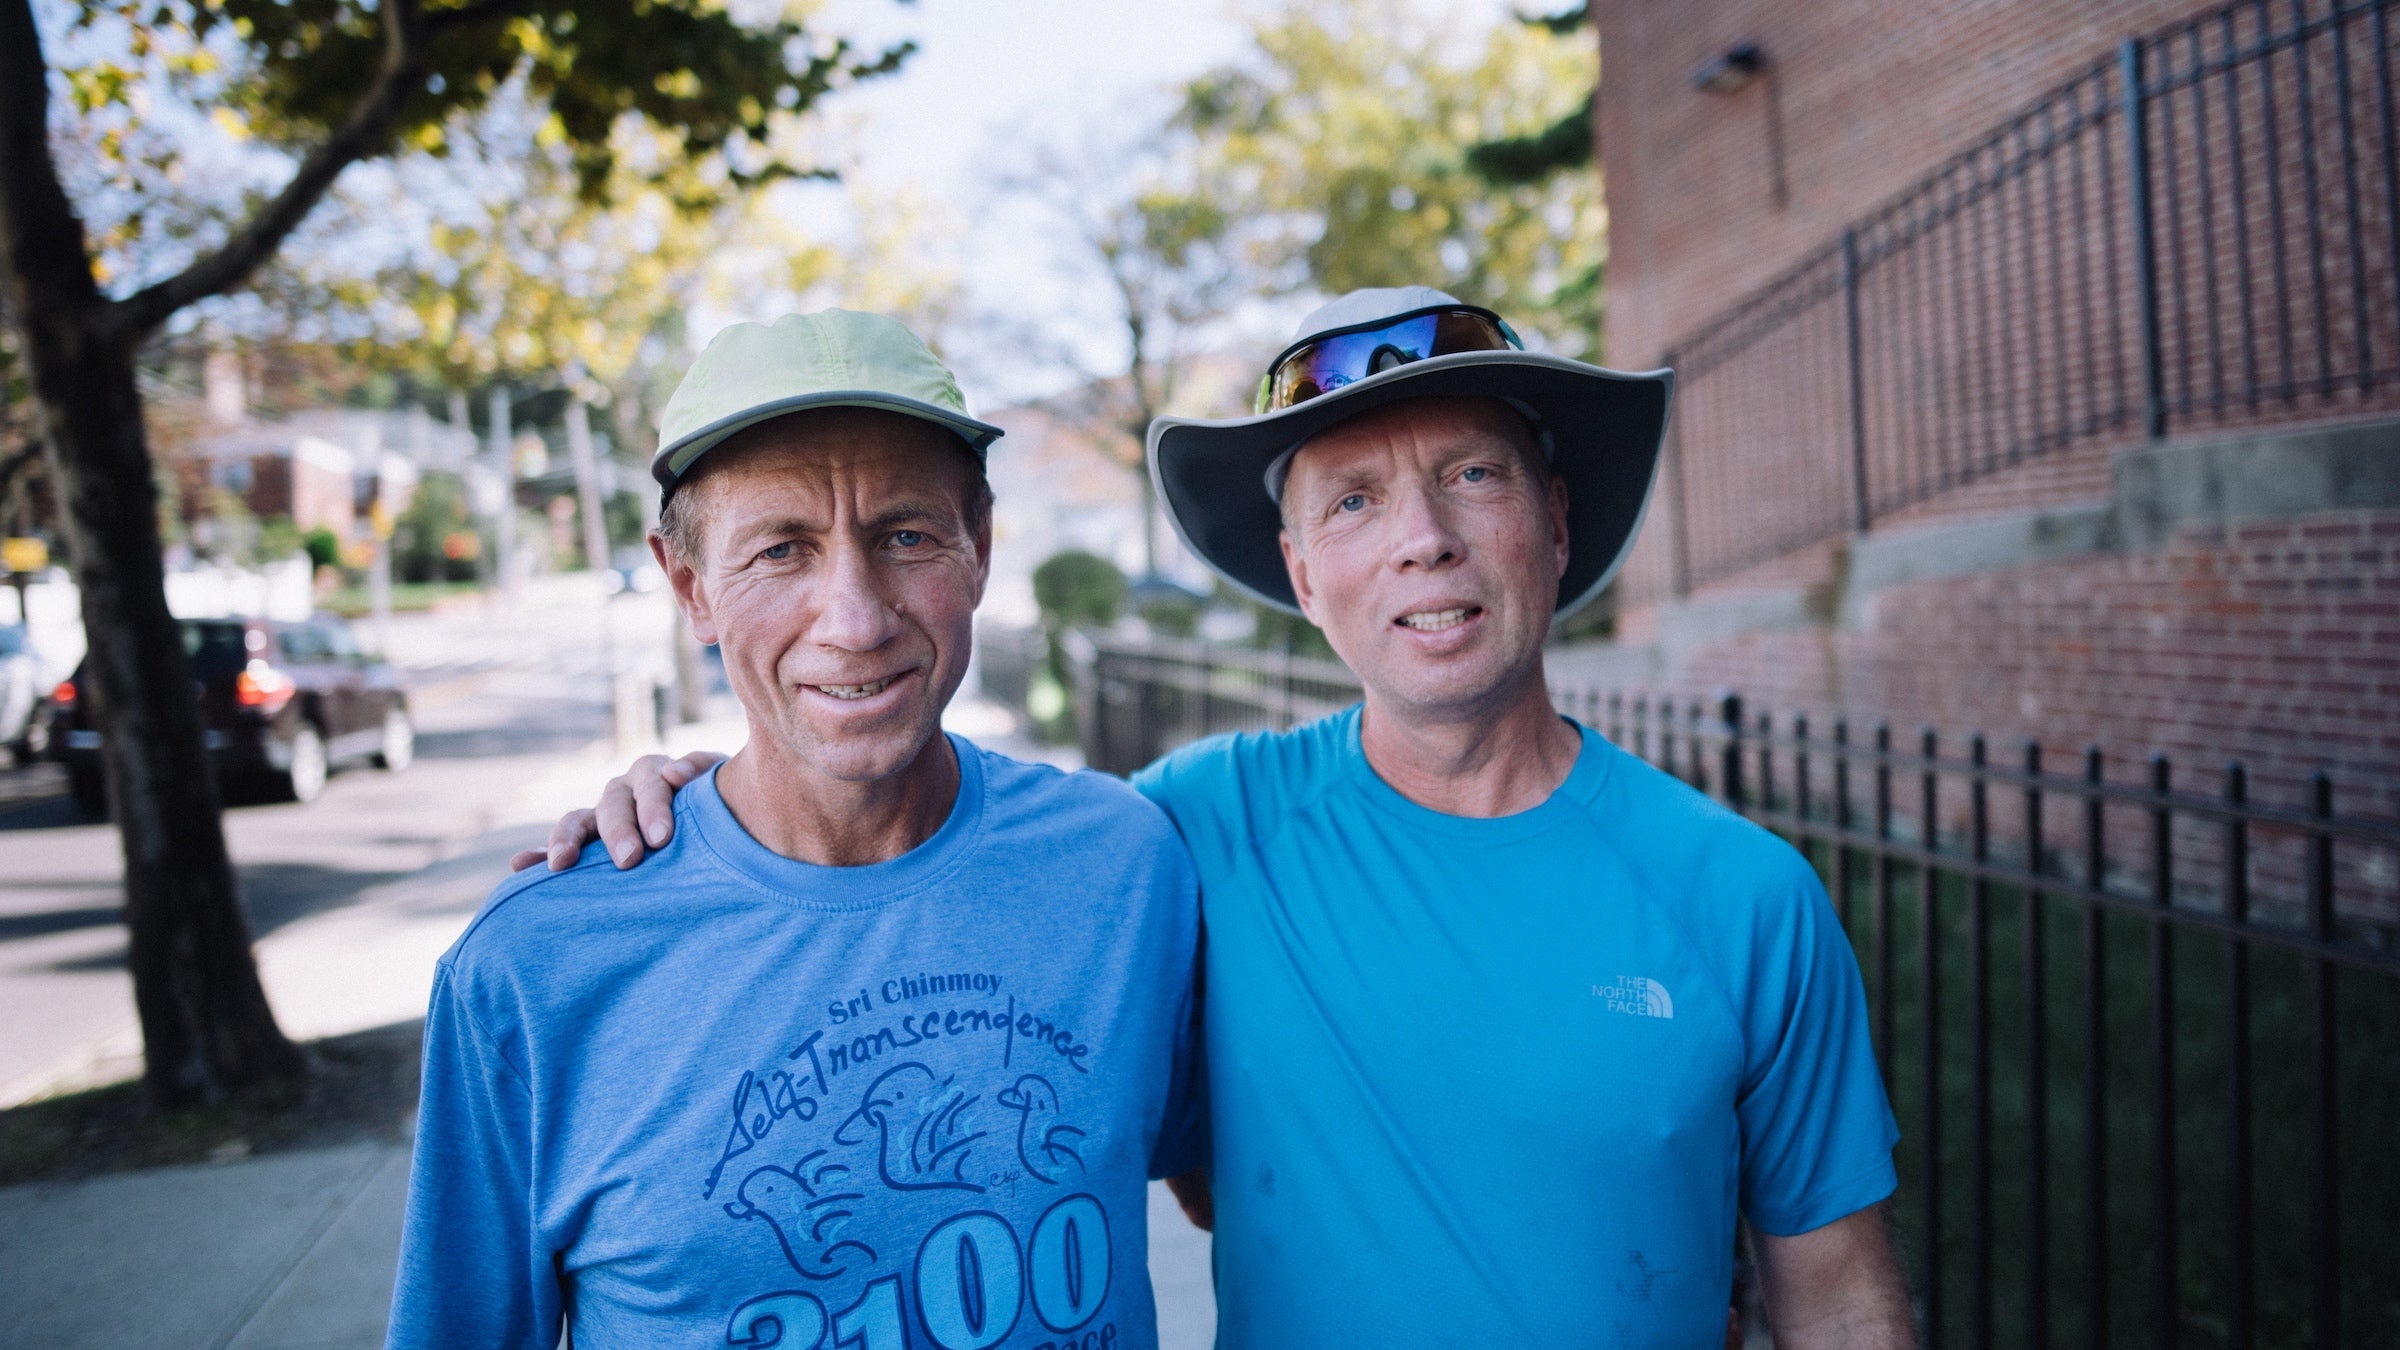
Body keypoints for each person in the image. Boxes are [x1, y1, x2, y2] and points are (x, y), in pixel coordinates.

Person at [537, 289, 1915, 1348]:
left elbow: (1840, 1290)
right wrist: (700, 798)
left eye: (1474, 476)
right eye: (1355, 499)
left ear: (1554, 521)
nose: (1423, 538)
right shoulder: (1180, 836)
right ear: (1302, 572)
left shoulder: (1743, 895)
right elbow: (913, 859)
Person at [389, 311, 1202, 1349]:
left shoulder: (1124, 866)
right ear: (691, 588)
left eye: (906, 536)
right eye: (781, 551)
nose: (855, 619)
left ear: (981, 549)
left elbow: (1229, 1186)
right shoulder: (534, 966)